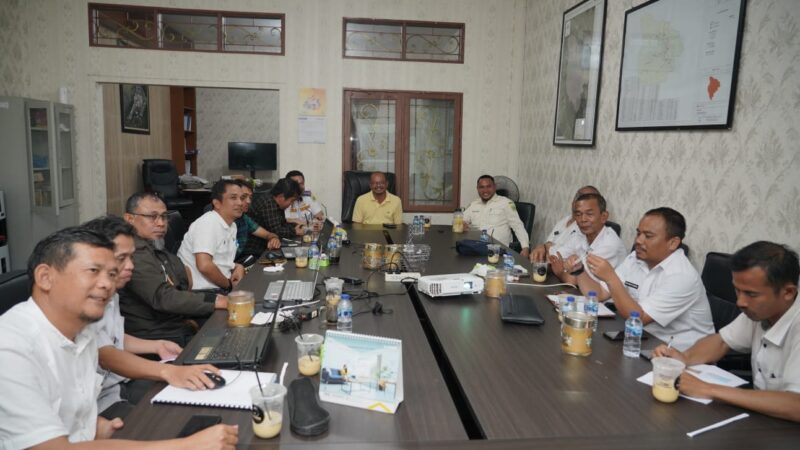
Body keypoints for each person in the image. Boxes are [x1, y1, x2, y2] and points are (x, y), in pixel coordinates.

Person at [0, 227, 238, 449]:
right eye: (93, 271)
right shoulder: (11, 348)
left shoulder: (81, 331)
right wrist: (185, 446)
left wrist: (92, 428)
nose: (107, 284)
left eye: (111, 274)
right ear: (45, 277)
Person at [83, 216, 222, 420]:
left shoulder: (110, 294)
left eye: (132, 258)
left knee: (202, 400)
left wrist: (156, 346)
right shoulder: (85, 300)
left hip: (116, 385)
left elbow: (113, 339)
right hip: (97, 402)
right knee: (171, 422)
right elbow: (105, 354)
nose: (131, 266)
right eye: (122, 258)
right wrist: (166, 371)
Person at [653, 241, 800, 422]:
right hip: (764, 418)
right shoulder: (760, 311)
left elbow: (796, 405)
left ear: (788, 292)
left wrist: (708, 389)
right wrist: (685, 358)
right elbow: (721, 341)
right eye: (737, 291)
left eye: (750, 294)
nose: (740, 302)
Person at [577, 207, 714, 350]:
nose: (639, 240)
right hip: (643, 341)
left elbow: (638, 319)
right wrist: (579, 271)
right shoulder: (635, 259)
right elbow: (600, 293)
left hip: (683, 356)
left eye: (648, 236)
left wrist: (611, 278)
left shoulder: (681, 276)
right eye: (638, 233)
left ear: (673, 243)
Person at [120, 192, 227, 345]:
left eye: (164, 216)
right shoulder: (132, 252)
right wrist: (215, 301)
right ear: (129, 219)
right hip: (155, 336)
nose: (161, 223)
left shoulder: (156, 247)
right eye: (152, 217)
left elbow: (182, 280)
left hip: (174, 324)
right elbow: (164, 297)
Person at [178, 180, 246, 291]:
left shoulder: (232, 225)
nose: (240, 203)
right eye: (233, 198)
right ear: (217, 203)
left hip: (220, 285)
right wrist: (228, 285)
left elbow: (221, 260)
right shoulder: (207, 223)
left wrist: (237, 266)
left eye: (241, 198)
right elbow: (204, 266)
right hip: (203, 292)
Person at [546, 193, 626, 284]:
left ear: (604, 217)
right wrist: (564, 266)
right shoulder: (580, 234)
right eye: (578, 214)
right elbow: (553, 257)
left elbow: (577, 280)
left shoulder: (610, 243)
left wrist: (561, 271)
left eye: (589, 214)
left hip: (604, 296)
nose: (583, 219)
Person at [462, 175, 529, 257]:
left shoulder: (506, 203)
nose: (485, 190)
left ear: (494, 187)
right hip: (477, 248)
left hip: (498, 251)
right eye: (481, 187)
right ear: (477, 189)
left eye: (488, 186)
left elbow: (517, 225)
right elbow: (462, 220)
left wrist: (525, 248)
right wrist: (462, 224)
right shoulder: (474, 204)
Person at [529, 185, 600, 262]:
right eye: (578, 196)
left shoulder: (586, 227)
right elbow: (548, 242)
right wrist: (542, 247)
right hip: (545, 264)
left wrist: (546, 248)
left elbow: (559, 257)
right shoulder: (565, 220)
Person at [242, 178, 305, 256]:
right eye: (291, 201)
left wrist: (295, 226)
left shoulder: (276, 203)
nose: (290, 204)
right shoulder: (268, 203)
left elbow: (282, 225)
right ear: (281, 196)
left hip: (265, 246)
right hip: (254, 250)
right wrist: (294, 231)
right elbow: (276, 231)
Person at [234, 180, 281, 259]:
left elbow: (267, 234)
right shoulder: (216, 221)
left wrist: (274, 238)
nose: (249, 201)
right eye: (243, 197)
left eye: (250, 197)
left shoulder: (244, 218)